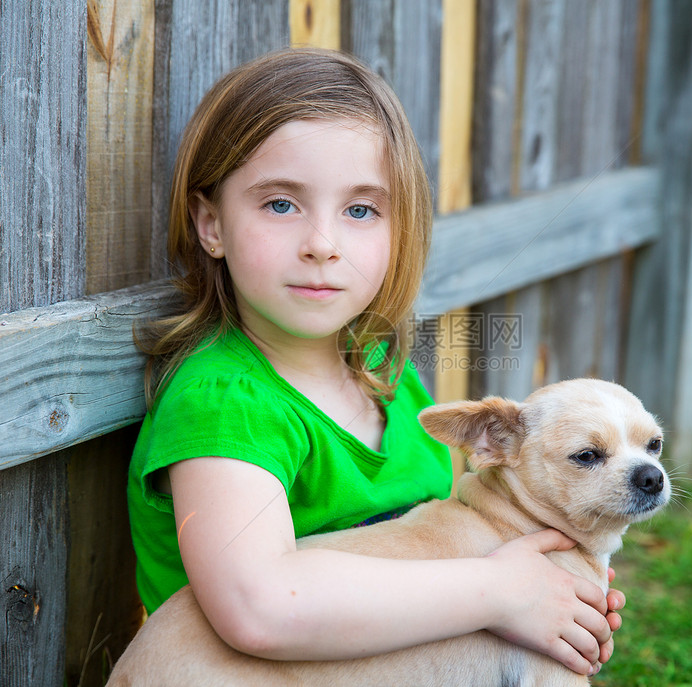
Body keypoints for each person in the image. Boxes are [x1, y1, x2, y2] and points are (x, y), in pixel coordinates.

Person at [128, 47, 624, 677]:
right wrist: (501, 592)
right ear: (211, 225)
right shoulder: (226, 402)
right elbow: (259, 606)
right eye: (281, 204)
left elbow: (441, 542)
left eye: (360, 210)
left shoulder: (384, 370)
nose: (322, 245)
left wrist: (561, 590)